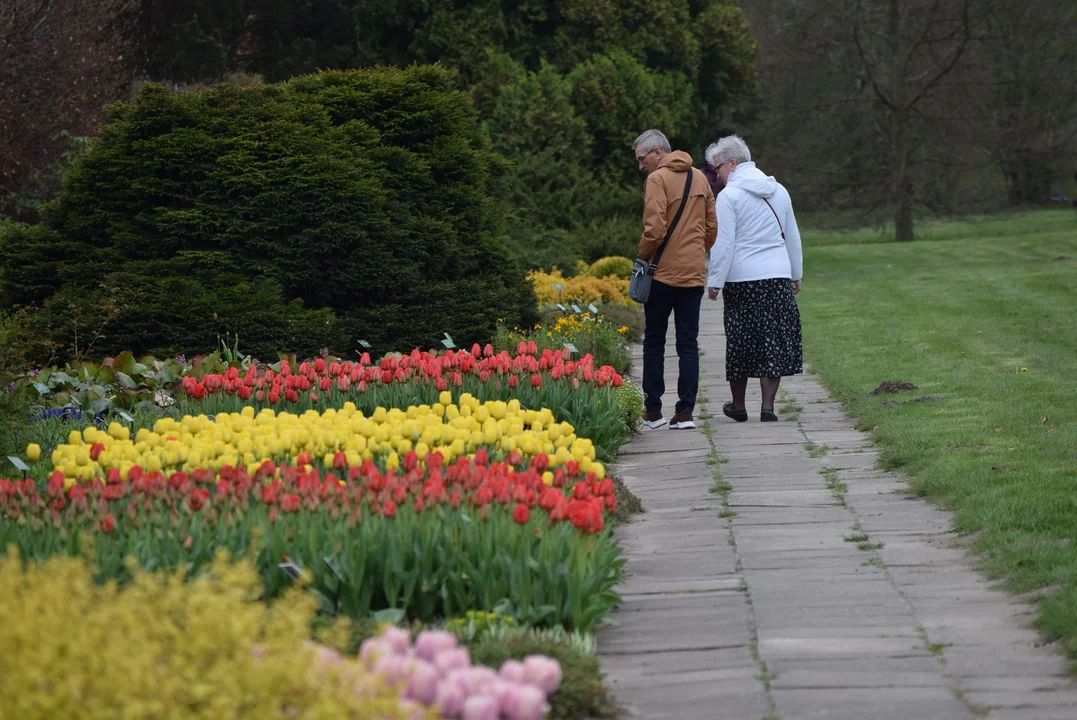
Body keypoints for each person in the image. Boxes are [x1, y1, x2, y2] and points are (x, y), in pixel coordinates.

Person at [704, 135, 803, 423]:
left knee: (740, 339)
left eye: (718, 168)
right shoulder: (779, 191)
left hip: (742, 278)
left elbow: (724, 244)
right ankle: (768, 406)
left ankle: (738, 405)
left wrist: (715, 280)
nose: (717, 175)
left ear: (732, 163)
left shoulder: (729, 196)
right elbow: (792, 236)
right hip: (776, 275)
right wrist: (795, 273)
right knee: (772, 337)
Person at [633, 129, 717, 430]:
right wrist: (694, 253)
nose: (641, 165)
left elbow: (654, 231)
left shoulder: (656, 179)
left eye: (642, 159)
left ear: (658, 152)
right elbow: (711, 228)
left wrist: (643, 257)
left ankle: (653, 412)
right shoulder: (699, 177)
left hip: (661, 275)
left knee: (654, 342)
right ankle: (685, 413)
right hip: (693, 274)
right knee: (688, 343)